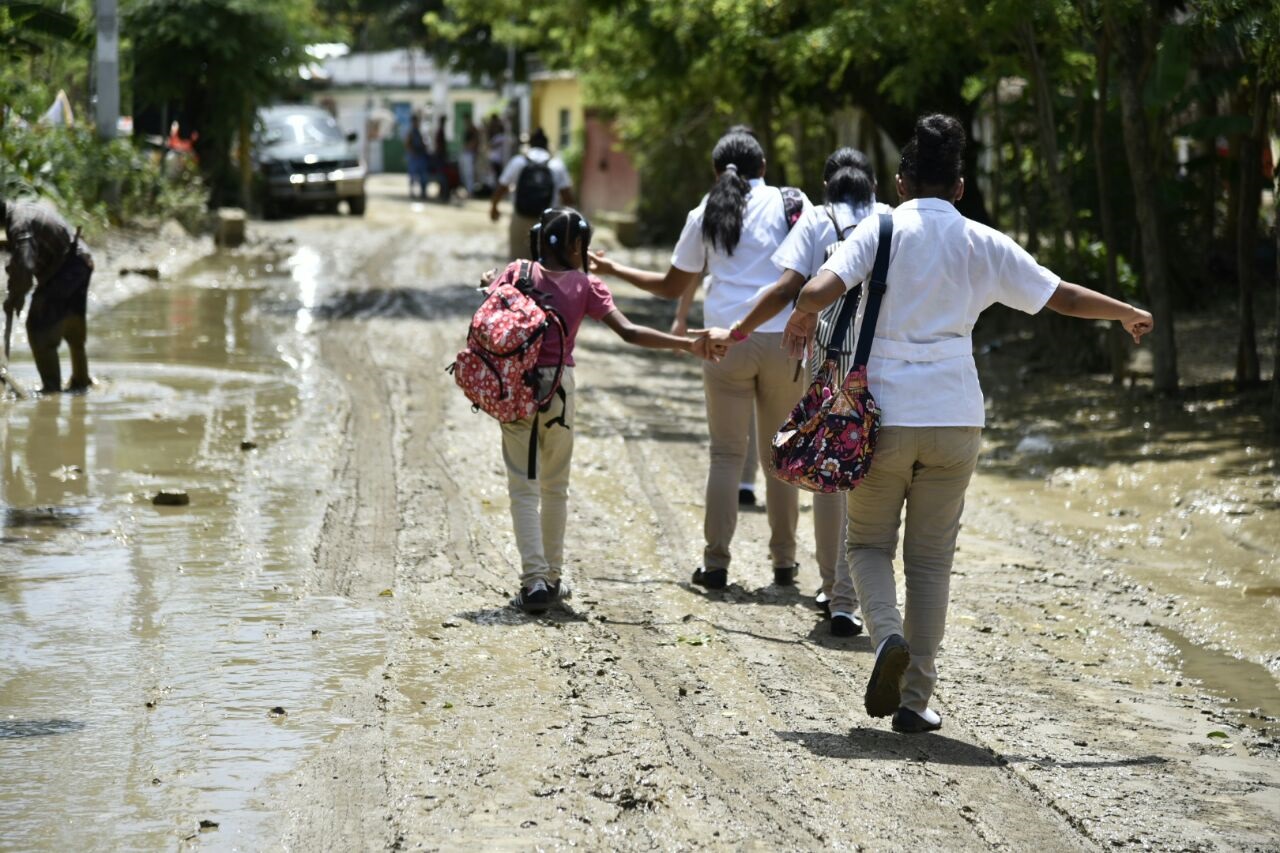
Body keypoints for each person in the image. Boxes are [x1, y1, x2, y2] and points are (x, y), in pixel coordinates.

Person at [793, 114, 1153, 734]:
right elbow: (1060, 295)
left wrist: (802, 318)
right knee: (931, 562)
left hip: (882, 417)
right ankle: (915, 700)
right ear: (960, 187)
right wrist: (1126, 312)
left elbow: (819, 288)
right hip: (957, 417)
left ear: (901, 183)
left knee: (867, 545)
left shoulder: (877, 229)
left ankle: (886, 639)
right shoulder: (982, 241)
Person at [590, 128, 809, 591]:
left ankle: (715, 565)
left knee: (726, 455)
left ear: (716, 172)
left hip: (721, 342)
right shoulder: (794, 204)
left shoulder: (704, 212)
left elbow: (671, 285)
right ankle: (785, 565)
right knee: (781, 455)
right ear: (764, 167)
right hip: (781, 341)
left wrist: (612, 270)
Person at [480, 208, 716, 613]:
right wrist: (685, 345)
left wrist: (490, 281)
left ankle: (533, 583)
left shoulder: (517, 272)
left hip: (515, 387)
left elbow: (493, 303)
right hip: (559, 390)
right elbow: (629, 332)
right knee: (556, 486)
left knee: (523, 486)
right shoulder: (587, 286)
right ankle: (552, 577)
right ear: (574, 246)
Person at [703, 146, 889, 635]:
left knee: (831, 474)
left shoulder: (816, 219)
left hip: (830, 365)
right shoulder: (892, 220)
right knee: (877, 480)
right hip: (890, 366)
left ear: (827, 186)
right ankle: (868, 598)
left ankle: (836, 591)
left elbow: (788, 290)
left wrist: (737, 329)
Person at [1, 197, 94, 393]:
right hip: (79, 260)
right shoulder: (22, 208)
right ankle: (81, 381)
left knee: (38, 329)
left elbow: (25, 267)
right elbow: (20, 262)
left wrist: (14, 297)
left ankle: (51, 391)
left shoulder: (18, 224)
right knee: (72, 325)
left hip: (66, 268)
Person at [489, 129, 574, 261]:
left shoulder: (518, 161)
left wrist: (494, 207)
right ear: (547, 145)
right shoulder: (557, 165)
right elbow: (568, 196)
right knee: (547, 264)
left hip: (521, 216)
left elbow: (501, 187)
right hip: (548, 221)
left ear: (530, 145)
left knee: (518, 264)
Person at [405, 111, 430, 200]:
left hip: (421, 157)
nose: (416, 123)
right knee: (412, 176)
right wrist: (413, 152)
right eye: (415, 121)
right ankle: (412, 192)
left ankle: (423, 192)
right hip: (414, 157)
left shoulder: (420, 132)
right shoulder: (411, 133)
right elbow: (407, 145)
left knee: (423, 176)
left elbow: (424, 143)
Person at [460, 121, 480, 196]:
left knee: (469, 174)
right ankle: (468, 190)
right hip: (466, 154)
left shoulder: (474, 136)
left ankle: (470, 191)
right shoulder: (468, 134)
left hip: (470, 155)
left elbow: (472, 145)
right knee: (465, 174)